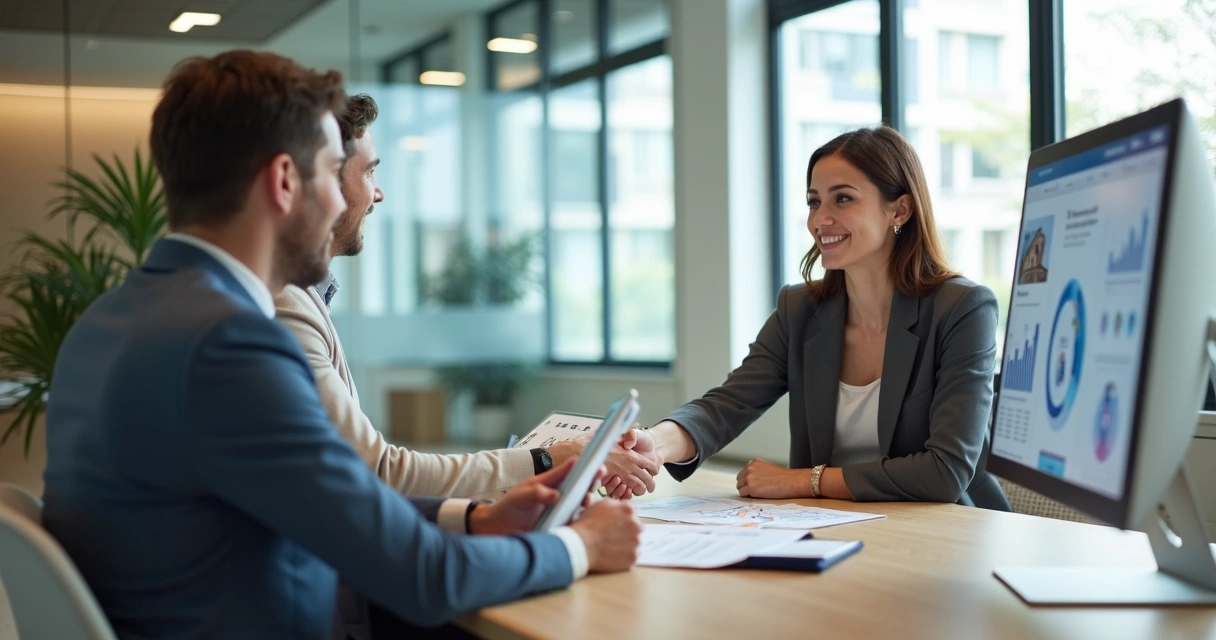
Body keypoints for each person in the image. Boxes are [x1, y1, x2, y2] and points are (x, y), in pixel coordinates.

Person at [40, 50, 641, 640]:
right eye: (334, 171)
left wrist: (475, 517)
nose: (350, 200)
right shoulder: (229, 345)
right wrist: (577, 546)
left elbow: (328, 502)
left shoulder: (108, 320)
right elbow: (423, 577)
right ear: (283, 181)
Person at [274, 94, 661, 501]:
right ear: (321, 185)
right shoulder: (287, 305)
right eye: (369, 173)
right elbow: (380, 472)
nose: (378, 194)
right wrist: (549, 459)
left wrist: (481, 516)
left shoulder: (303, 294)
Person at [606, 126, 1010, 509]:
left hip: (950, 529)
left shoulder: (962, 309)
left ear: (900, 209)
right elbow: (725, 407)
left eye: (843, 199)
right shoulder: (799, 310)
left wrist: (802, 480)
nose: (819, 219)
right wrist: (653, 442)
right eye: (814, 201)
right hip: (839, 524)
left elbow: (945, 471)